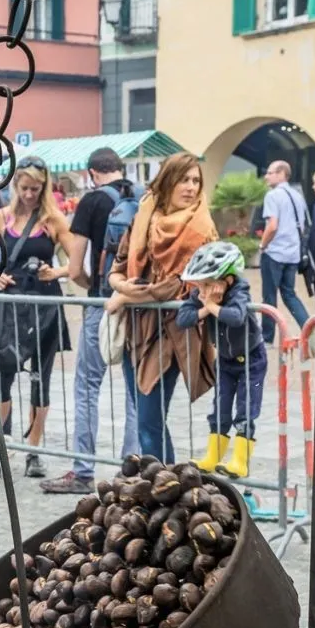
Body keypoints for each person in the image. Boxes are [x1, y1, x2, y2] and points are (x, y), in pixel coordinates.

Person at [108, 152, 217, 463]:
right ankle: (168, 487)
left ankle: (165, 490)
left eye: (196, 181)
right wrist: (122, 286)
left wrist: (126, 297)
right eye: (184, 179)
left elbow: (181, 285)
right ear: (168, 181)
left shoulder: (201, 228)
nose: (191, 187)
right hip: (137, 329)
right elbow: (116, 267)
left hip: (172, 331)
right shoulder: (144, 217)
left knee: (148, 420)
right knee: (148, 420)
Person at [43, 146, 139, 495]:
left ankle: (83, 470)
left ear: (92, 173)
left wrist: (88, 286)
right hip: (137, 303)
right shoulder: (141, 197)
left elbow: (75, 267)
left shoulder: (91, 201)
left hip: (102, 300)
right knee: (134, 390)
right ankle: (132, 468)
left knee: (87, 385)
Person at [0, 157, 71, 480]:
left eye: (37, 188)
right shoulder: (1, 217)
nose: (30, 194)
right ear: (15, 186)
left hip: (44, 307)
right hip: (9, 309)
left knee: (40, 382)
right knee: (1, 377)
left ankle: (34, 451)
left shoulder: (54, 220)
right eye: (25, 187)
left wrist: (54, 270)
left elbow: (77, 263)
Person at [177, 241, 264, 479]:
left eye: (206, 285)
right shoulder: (203, 295)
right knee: (220, 408)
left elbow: (236, 317)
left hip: (251, 360)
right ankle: (213, 456)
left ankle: (240, 460)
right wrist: (206, 307)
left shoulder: (239, 291)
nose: (201, 291)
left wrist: (213, 306)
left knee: (246, 410)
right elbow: (183, 318)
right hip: (225, 361)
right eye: (199, 286)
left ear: (226, 280)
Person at [256, 160, 311, 342]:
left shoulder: (273, 196)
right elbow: (302, 225)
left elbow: (272, 226)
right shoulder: (298, 195)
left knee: (269, 296)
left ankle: (267, 337)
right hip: (293, 254)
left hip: (275, 253)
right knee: (289, 293)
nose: (266, 176)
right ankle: (308, 328)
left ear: (281, 174)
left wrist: (262, 246)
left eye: (270, 172)